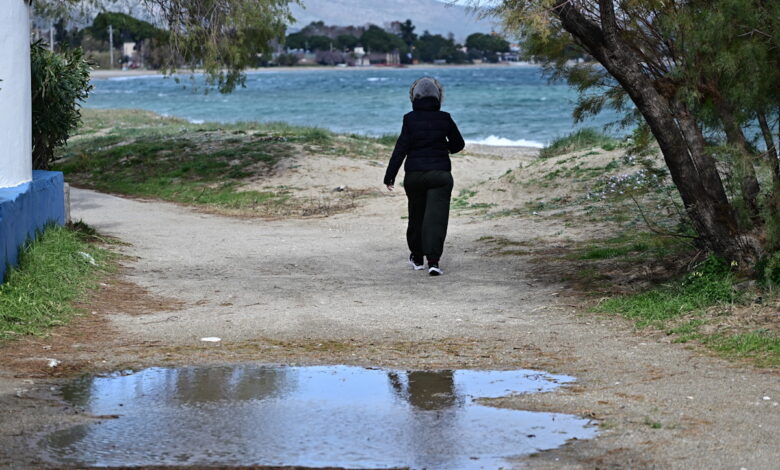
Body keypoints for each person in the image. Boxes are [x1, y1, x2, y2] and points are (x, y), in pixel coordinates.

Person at [384, 77, 465, 276]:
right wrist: (442, 147)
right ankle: (434, 262)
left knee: (416, 216)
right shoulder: (445, 118)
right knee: (435, 218)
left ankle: (417, 258)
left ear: (414, 97)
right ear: (438, 97)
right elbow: (459, 144)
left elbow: (400, 148)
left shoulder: (409, 119)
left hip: (414, 176)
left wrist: (390, 176)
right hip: (440, 176)